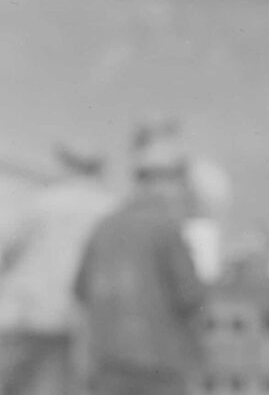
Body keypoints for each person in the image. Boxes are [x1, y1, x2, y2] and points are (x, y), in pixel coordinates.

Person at [73, 126, 206, 395]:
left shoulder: (104, 226)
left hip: (107, 362)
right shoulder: (165, 229)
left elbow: (80, 289)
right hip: (158, 364)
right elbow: (190, 295)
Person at [0, 141, 116, 395]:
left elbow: (7, 251)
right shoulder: (110, 207)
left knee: (8, 385)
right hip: (76, 319)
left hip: (24, 314)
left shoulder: (41, 202)